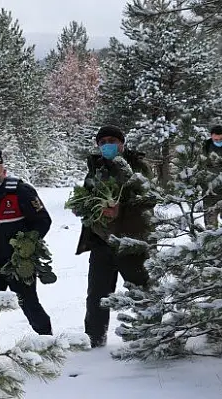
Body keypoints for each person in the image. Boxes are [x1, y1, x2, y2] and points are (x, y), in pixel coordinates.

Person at [75, 125, 154, 348]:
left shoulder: (139, 166)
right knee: (97, 295)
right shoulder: (95, 168)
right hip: (102, 241)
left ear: (122, 142)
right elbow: (87, 198)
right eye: (102, 142)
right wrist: (86, 209)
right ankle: (94, 340)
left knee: (141, 290)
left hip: (132, 241)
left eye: (112, 140)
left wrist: (122, 208)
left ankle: (153, 335)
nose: (107, 145)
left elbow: (149, 198)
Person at [0, 149, 53, 347]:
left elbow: (43, 221)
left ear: (4, 171)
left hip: (18, 264)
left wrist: (29, 244)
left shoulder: (21, 191)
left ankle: (48, 341)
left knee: (29, 305)